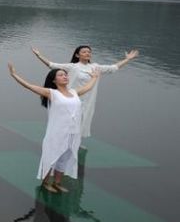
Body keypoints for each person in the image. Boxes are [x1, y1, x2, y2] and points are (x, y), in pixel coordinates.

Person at [7, 63, 99, 193]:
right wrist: (14, 75)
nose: (65, 76)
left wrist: (95, 77)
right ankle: (45, 183)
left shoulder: (74, 92)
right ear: (54, 80)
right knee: (51, 156)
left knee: (65, 158)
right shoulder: (52, 93)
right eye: (61, 75)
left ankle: (57, 183)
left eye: (65, 74)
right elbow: (30, 86)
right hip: (57, 133)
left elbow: (88, 87)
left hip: (73, 132)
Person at [31, 46, 138, 138]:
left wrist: (127, 59)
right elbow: (52, 65)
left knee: (81, 122)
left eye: (89, 52)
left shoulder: (95, 67)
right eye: (84, 52)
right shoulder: (73, 66)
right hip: (72, 99)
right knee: (68, 121)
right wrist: (39, 55)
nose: (88, 53)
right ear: (77, 55)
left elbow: (113, 68)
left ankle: (75, 143)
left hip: (88, 101)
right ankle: (59, 139)